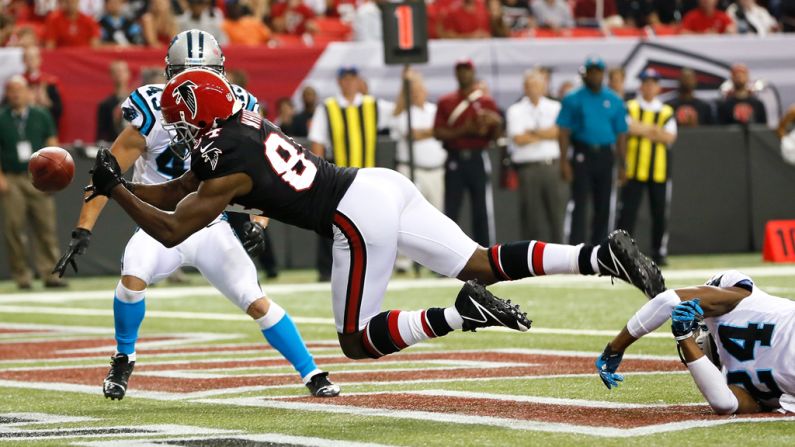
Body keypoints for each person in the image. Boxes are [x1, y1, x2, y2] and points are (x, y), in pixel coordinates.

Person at [85, 67, 667, 365]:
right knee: (481, 263)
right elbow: (179, 192)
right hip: (377, 184)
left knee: (356, 344)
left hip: (351, 217)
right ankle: (600, 255)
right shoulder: (241, 127)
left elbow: (171, 226)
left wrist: (116, 192)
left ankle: (459, 315)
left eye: (182, 116)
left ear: (199, 114)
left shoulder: (227, 159)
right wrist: (121, 185)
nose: (177, 126)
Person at [53, 30, 339, 401]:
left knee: (255, 298)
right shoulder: (153, 112)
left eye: (203, 73)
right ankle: (124, 357)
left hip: (209, 225)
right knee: (132, 278)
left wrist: (259, 220)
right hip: (160, 222)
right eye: (186, 74)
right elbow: (108, 175)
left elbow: (262, 173)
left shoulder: (239, 109)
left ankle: (312, 372)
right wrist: (83, 227)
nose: (193, 85)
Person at [596, 270, 794, 414]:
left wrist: (615, 348)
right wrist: (684, 339)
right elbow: (724, 404)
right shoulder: (731, 381)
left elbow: (667, 301)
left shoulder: (738, 296)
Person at [308, 66, 394, 281]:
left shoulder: (372, 104)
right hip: (338, 177)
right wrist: (318, 176)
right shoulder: (328, 107)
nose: (348, 83)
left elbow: (399, 112)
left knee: (371, 224)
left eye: (352, 78)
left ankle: (372, 267)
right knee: (332, 223)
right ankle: (326, 271)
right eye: (344, 79)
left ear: (358, 80)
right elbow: (317, 141)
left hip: (368, 176)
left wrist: (407, 80)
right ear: (339, 82)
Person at [0, 75, 65, 289]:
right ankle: (22, 276)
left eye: (19, 89)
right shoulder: (2, 118)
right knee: (14, 228)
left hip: (37, 176)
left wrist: (52, 175)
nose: (16, 93)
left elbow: (52, 144)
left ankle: (50, 274)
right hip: (12, 177)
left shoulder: (41, 115)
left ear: (28, 92)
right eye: (11, 89)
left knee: (46, 227)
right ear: (6, 94)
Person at [557, 56, 628, 245]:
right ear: (585, 73)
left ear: (603, 74)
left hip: (605, 154)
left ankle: (600, 248)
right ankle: (575, 247)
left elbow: (621, 133)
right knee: (579, 202)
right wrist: (564, 161)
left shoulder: (614, 99)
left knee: (604, 203)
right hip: (582, 153)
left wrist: (623, 164)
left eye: (599, 72)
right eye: (592, 71)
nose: (595, 75)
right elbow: (563, 132)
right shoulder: (573, 98)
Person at [434, 60, 502, 247]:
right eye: (460, 71)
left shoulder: (486, 102)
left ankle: (485, 254)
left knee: (481, 209)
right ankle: (448, 252)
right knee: (451, 210)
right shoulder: (446, 102)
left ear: (473, 72)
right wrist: (465, 129)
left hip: (477, 156)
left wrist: (495, 123)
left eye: (467, 70)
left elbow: (495, 136)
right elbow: (438, 132)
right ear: (456, 74)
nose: (464, 75)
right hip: (455, 157)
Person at [617, 69, 677, 266]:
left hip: (658, 170)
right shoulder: (631, 106)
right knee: (628, 212)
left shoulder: (666, 110)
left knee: (659, 213)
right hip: (633, 168)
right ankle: (621, 250)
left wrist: (641, 128)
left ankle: (659, 251)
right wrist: (653, 130)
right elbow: (627, 127)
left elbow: (670, 137)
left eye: (653, 83)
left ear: (658, 87)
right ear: (640, 85)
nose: (649, 87)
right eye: (646, 82)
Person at [506, 70, 565, 243]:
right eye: (531, 85)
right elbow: (518, 139)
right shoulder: (515, 110)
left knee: (556, 215)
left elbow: (559, 132)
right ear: (524, 87)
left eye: (538, 85)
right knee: (531, 217)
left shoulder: (555, 106)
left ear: (544, 87)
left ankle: (561, 258)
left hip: (551, 167)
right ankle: (530, 262)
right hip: (528, 169)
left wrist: (532, 132)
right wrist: (546, 133)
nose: (535, 89)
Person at [22, 45, 63, 130]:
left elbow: (58, 110)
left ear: (39, 59)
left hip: (44, 126)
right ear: (23, 61)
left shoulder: (50, 82)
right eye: (28, 58)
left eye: (33, 58)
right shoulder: (18, 82)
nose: (31, 61)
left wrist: (47, 103)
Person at [96, 60, 131, 145]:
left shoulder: (138, 100)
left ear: (129, 74)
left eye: (122, 71)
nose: (119, 74)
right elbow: (101, 134)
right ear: (111, 75)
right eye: (116, 71)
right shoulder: (105, 105)